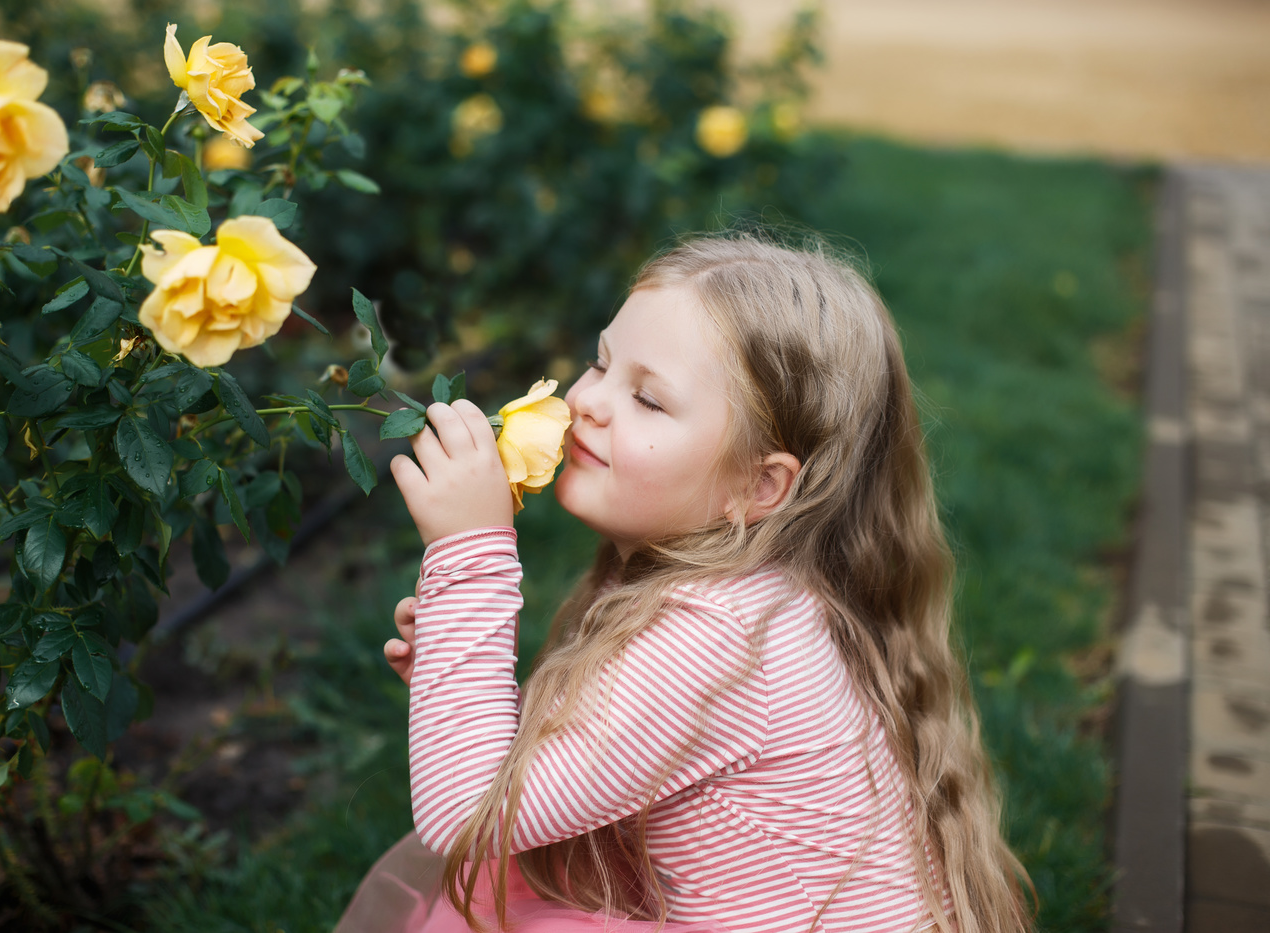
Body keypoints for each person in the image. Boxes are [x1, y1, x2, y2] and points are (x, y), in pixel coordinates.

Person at [346, 234, 1031, 933]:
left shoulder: (720, 637)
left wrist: (470, 547)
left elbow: (467, 816)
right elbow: (591, 753)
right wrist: (465, 686)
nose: (589, 402)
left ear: (757, 484)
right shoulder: (757, 594)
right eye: (600, 363)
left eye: (648, 399)